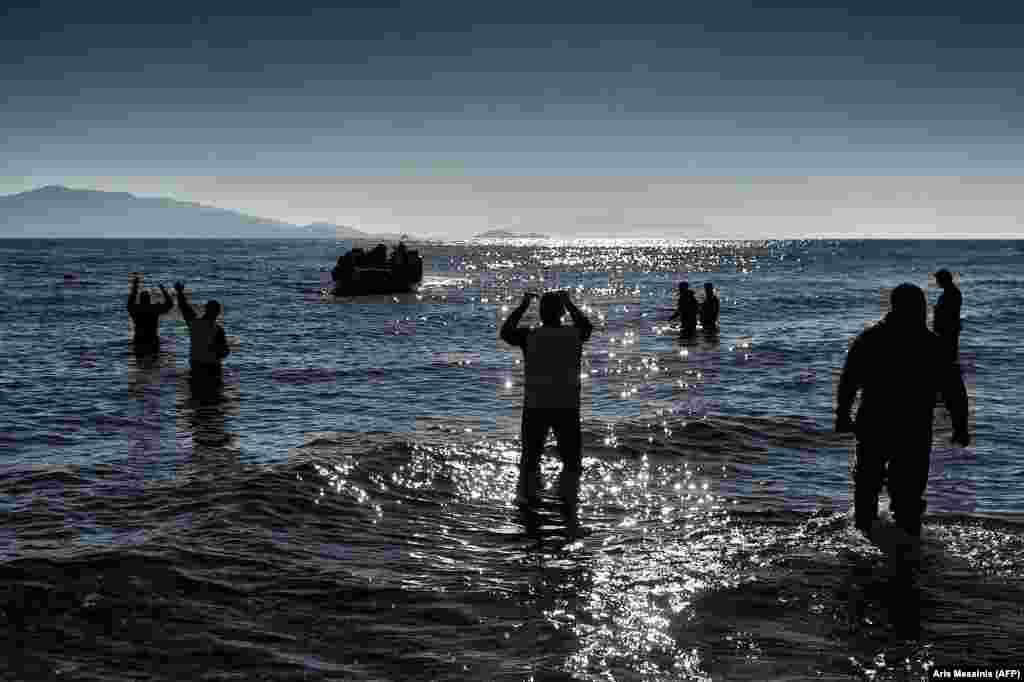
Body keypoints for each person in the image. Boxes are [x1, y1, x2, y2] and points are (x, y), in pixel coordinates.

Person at [836, 283, 970, 538]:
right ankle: (907, 551)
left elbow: (849, 380)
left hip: (874, 423)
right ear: (919, 309)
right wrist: (960, 427)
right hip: (913, 428)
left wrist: (842, 414)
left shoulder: (871, 338)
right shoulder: (932, 345)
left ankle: (862, 541)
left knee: (867, 486)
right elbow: (954, 391)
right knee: (908, 496)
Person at [500, 290, 594, 505]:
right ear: (561, 313)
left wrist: (523, 306)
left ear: (540, 313)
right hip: (567, 406)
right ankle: (568, 504)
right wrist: (569, 303)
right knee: (571, 462)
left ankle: (528, 504)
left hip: (536, 406)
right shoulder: (574, 334)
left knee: (530, 460)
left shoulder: (529, 336)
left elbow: (505, 332)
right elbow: (587, 327)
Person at [174, 282, 230, 390]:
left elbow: (184, 308)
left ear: (205, 309)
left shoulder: (195, 323)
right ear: (217, 312)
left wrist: (179, 292)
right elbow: (225, 351)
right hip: (212, 368)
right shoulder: (217, 329)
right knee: (213, 400)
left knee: (197, 398)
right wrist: (218, 352)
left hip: (198, 367)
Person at [127, 274, 174, 354]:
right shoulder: (153, 309)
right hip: (152, 339)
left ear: (140, 300)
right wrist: (163, 290)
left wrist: (135, 285)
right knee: (154, 361)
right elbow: (170, 304)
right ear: (149, 299)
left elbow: (130, 302)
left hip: (139, 339)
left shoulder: (136, 309)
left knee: (139, 361)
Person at [933, 268, 962, 364]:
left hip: (948, 330)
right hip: (945, 329)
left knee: (948, 358)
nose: (936, 282)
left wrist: (938, 310)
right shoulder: (948, 293)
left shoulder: (953, 293)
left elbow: (950, 313)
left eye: (938, 279)